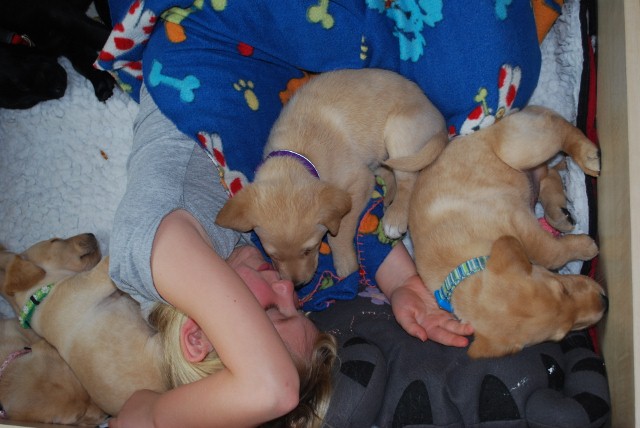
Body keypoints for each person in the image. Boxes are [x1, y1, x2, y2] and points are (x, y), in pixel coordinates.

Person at [106, 84, 472, 428]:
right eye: (297, 308)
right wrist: (402, 282)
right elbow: (347, 227)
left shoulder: (147, 255)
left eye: (270, 313)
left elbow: (271, 389)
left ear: (197, 337)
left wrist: (151, 414)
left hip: (195, 57)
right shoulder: (252, 263)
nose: (286, 288)